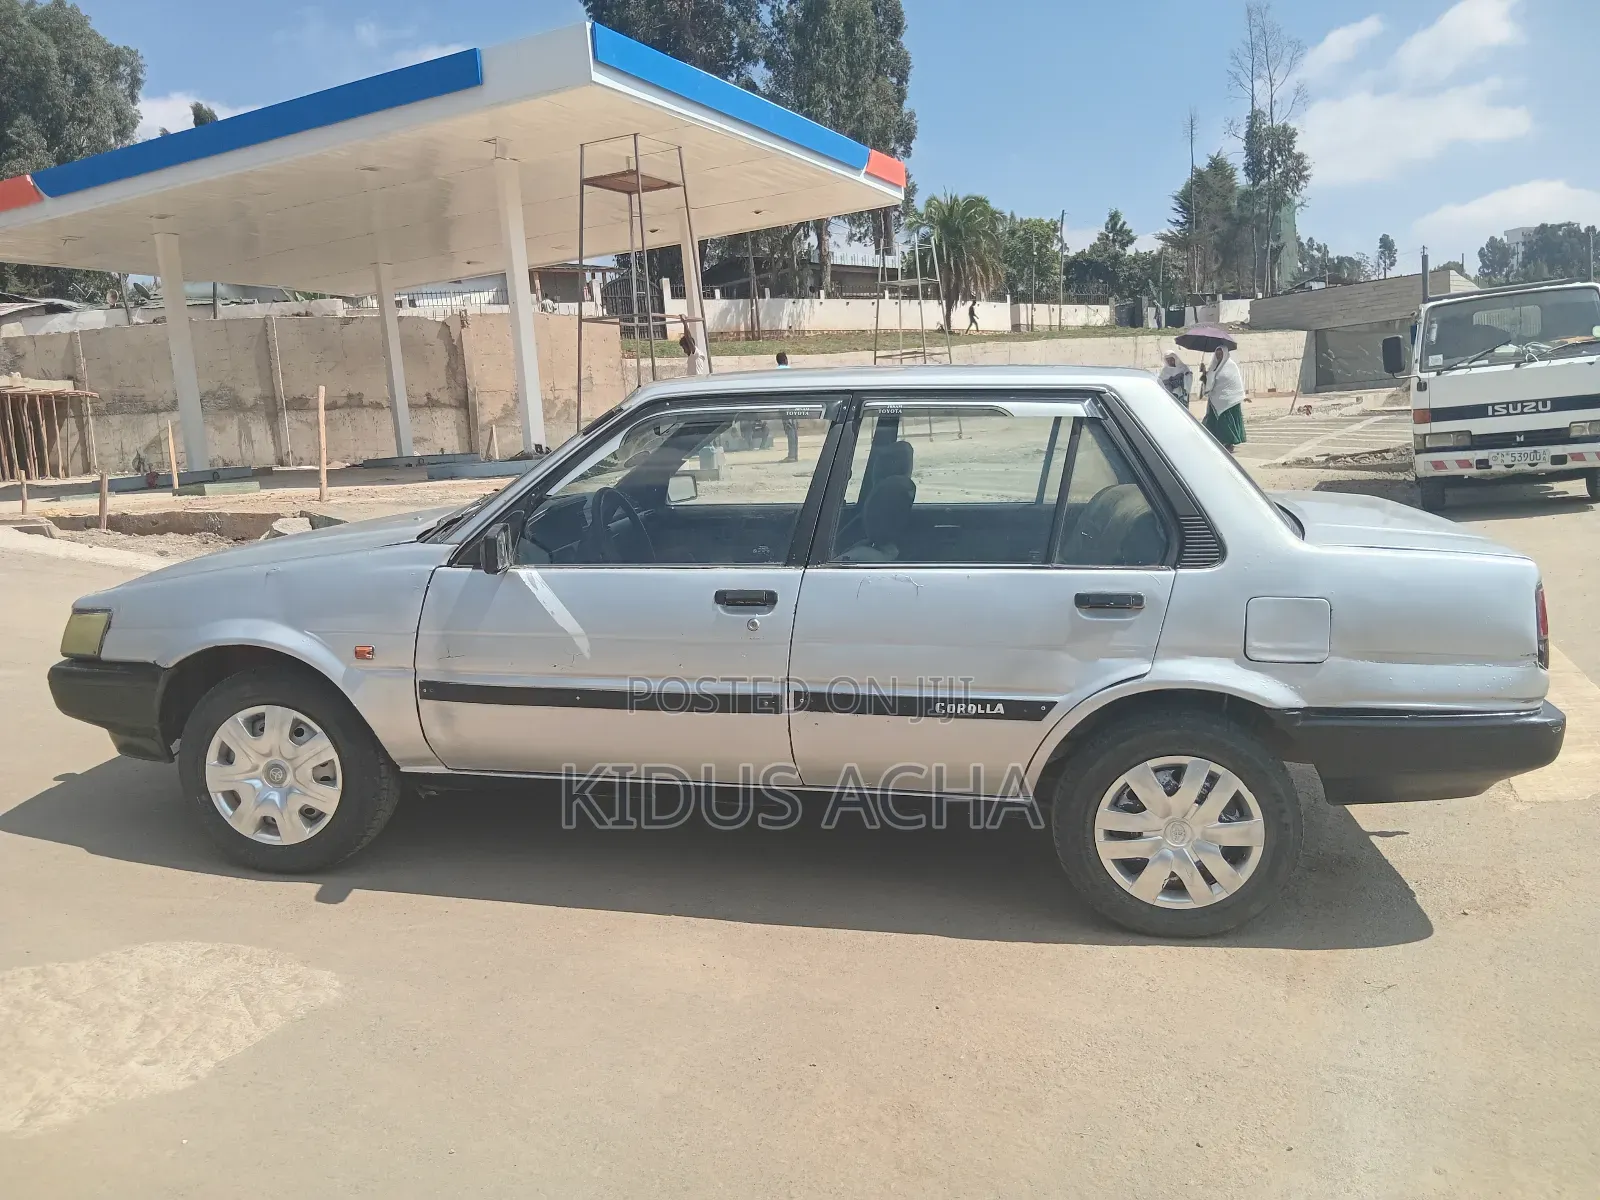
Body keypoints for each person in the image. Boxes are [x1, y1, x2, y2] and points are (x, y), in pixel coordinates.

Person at [1200, 345, 1247, 452]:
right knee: (1212, 421)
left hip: (1229, 400)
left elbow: (1234, 383)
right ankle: (1214, 441)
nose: (1219, 356)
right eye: (1217, 354)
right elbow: (1209, 383)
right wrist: (1204, 373)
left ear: (1225, 354)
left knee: (1226, 422)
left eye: (1220, 354)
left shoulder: (1231, 366)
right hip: (1215, 398)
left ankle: (1229, 443)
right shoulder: (1214, 366)